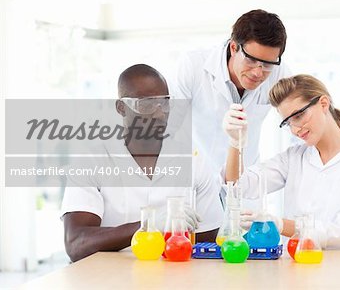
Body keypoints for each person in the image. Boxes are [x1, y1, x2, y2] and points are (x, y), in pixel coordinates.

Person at [62, 64, 222, 262]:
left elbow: (208, 245)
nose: (158, 113)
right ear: (121, 108)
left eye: (164, 103)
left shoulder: (193, 159)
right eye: (146, 104)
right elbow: (76, 243)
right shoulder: (91, 160)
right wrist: (148, 226)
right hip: (107, 279)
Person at [223, 74, 340, 249]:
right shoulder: (294, 157)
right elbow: (238, 185)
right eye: (288, 122)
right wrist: (236, 143)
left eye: (299, 116)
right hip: (293, 268)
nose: (295, 129)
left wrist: (280, 225)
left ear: (324, 104)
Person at [171, 9, 291, 202]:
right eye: (251, 60)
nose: (258, 73)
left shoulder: (278, 72)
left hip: (243, 185)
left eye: (267, 64)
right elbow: (171, 132)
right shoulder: (192, 66)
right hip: (199, 184)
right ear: (234, 47)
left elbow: (299, 114)